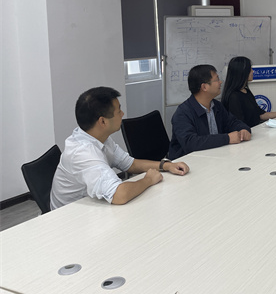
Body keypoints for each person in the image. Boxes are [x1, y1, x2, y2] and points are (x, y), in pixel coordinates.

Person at [50, 87, 189, 210]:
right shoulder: (83, 152)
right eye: (118, 111)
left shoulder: (98, 137)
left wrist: (166, 165)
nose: (122, 114)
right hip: (70, 219)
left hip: (92, 206)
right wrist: (148, 180)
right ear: (102, 121)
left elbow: (130, 164)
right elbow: (119, 195)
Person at [168, 64, 251, 160]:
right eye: (217, 79)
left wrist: (243, 130)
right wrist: (227, 138)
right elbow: (191, 143)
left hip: (215, 157)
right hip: (188, 162)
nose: (220, 82)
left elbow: (233, 122)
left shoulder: (216, 106)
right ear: (204, 87)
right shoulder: (183, 113)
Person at [221, 56, 276, 128]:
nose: (253, 72)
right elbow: (239, 125)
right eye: (250, 70)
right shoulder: (233, 97)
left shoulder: (246, 91)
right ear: (242, 72)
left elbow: (260, 115)